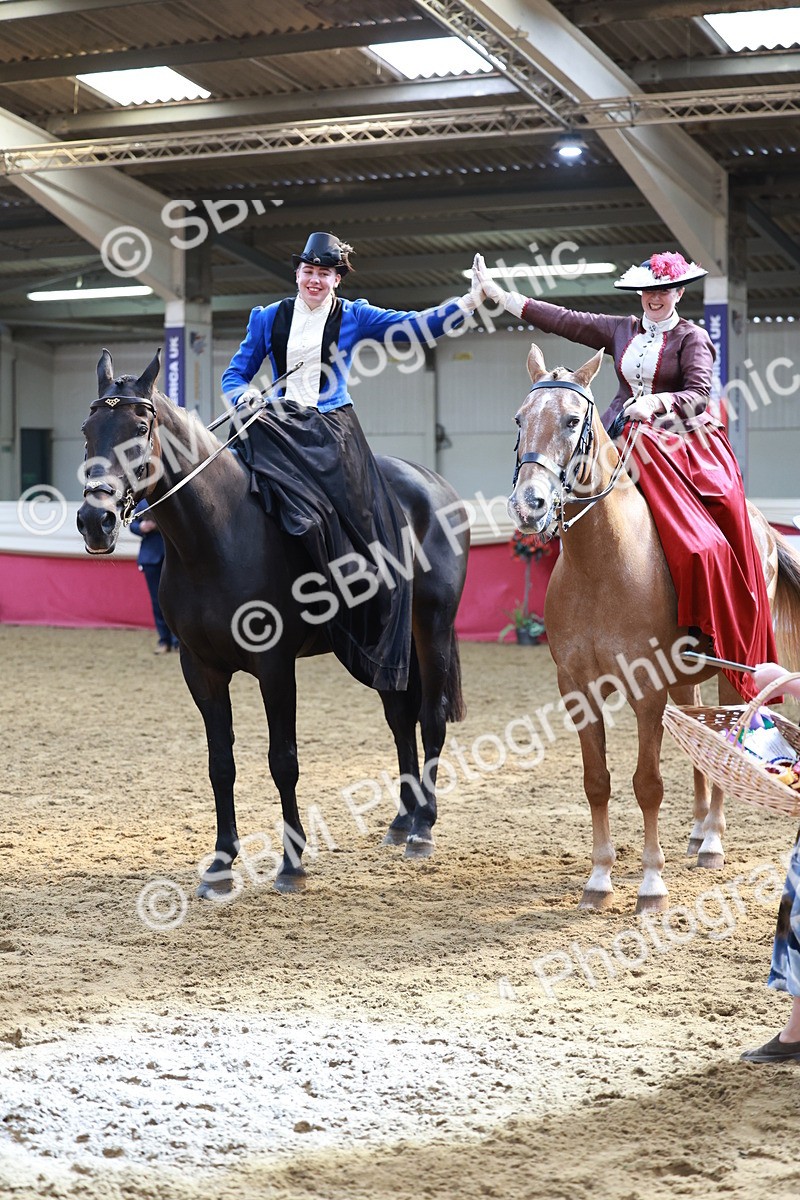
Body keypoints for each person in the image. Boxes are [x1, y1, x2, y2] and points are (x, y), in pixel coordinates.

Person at [473, 250, 778, 702]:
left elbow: (698, 393)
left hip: (679, 442)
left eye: (664, 291)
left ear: (678, 293)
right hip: (621, 437)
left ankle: (711, 631)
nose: (655, 298)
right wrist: (498, 296)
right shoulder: (621, 329)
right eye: (648, 291)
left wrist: (655, 403)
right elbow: (563, 319)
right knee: (581, 499)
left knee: (703, 542)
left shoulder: (692, 337)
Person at [221, 232, 481, 692]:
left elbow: (418, 326)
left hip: (331, 429)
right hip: (276, 422)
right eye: (308, 271)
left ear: (336, 278)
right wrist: (243, 396)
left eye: (324, 273)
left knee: (353, 510)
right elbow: (236, 373)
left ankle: (358, 590)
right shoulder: (267, 318)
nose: (314, 280)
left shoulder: (356, 316)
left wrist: (468, 302)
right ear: (297, 273)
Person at [130, 499, 179, 655]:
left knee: (177, 600)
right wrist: (142, 527)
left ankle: (178, 641)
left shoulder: (172, 494)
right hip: (151, 557)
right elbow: (132, 524)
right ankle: (164, 640)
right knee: (157, 601)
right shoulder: (142, 500)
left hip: (174, 556)